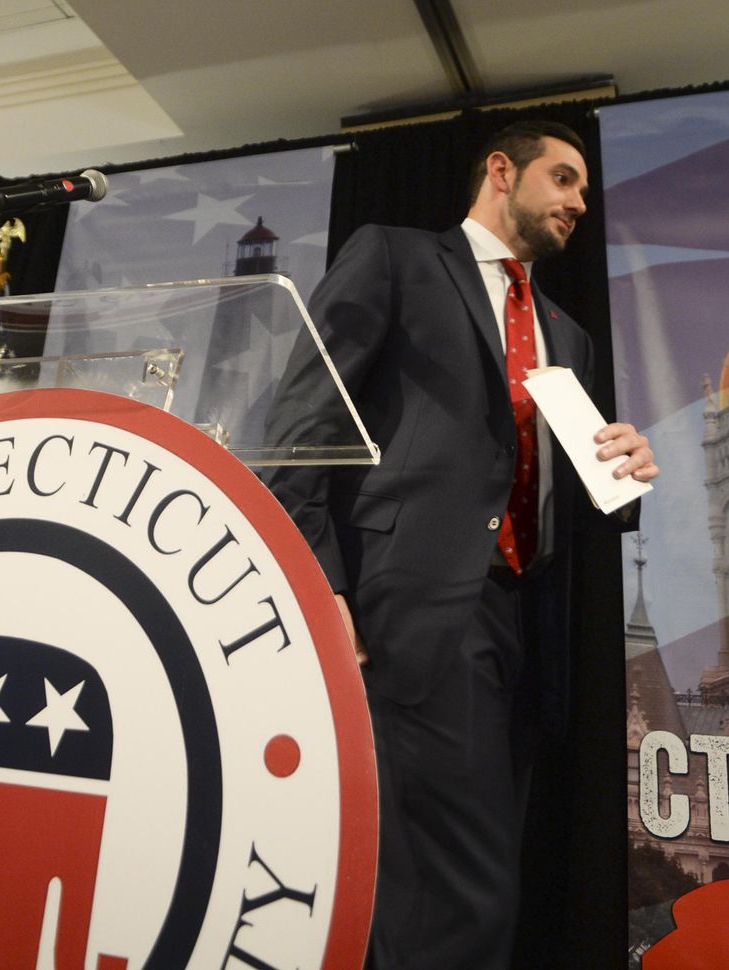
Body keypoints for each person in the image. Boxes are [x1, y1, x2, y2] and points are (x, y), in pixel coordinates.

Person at [264, 120, 658, 970]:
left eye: (584, 191)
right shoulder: (396, 258)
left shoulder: (567, 334)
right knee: (463, 888)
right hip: (411, 615)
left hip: (525, 633)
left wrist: (622, 477)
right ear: (500, 170)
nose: (579, 203)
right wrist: (319, 592)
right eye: (563, 179)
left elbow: (560, 496)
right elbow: (300, 434)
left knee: (453, 879)